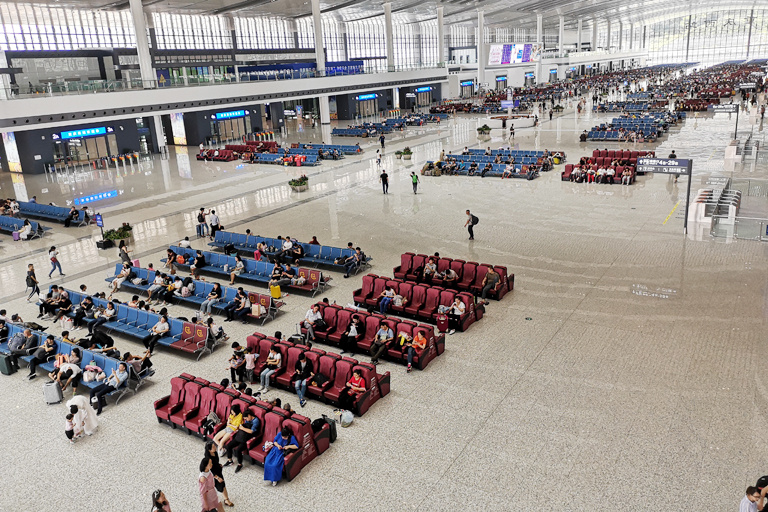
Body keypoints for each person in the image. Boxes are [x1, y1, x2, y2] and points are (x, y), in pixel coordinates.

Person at [222, 409, 258, 473]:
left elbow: (251, 431)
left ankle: (240, 464)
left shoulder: (256, 421)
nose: (246, 420)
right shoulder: (247, 420)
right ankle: (230, 460)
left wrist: (242, 428)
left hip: (247, 438)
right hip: (241, 436)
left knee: (238, 450)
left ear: (249, 416)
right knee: (228, 446)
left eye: (246, 418)